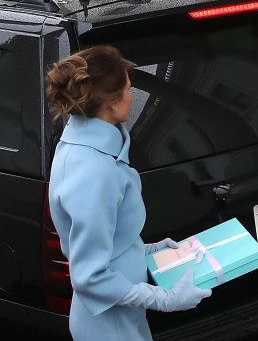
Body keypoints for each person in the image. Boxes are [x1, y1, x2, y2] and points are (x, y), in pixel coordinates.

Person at [46, 45, 211, 340]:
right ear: (111, 102)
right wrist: (167, 300)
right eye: (129, 88)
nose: (132, 97)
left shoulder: (86, 145)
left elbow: (107, 244)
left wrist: (147, 250)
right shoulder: (93, 171)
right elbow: (90, 277)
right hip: (110, 327)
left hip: (119, 318)